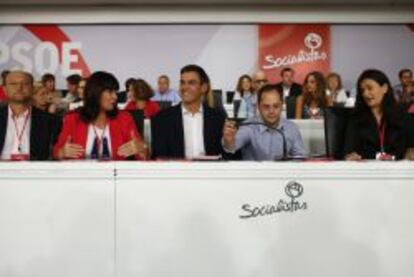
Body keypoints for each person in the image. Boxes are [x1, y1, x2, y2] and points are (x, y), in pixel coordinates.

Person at [53, 71, 147, 160]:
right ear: (95, 93)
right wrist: (62, 152)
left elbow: (144, 154)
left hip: (115, 176)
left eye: (115, 92)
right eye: (110, 92)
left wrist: (142, 149)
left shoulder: (124, 118)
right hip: (82, 176)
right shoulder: (72, 119)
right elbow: (56, 152)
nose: (115, 96)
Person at [151, 64, 226, 160]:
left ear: (203, 87)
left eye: (191, 83)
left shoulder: (217, 118)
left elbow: (224, 156)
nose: (184, 87)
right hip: (176, 173)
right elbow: (159, 156)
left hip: (209, 172)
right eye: (182, 83)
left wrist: (228, 145)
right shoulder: (163, 118)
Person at [344, 69, 414, 161]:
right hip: (366, 170)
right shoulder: (356, 118)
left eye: (370, 88)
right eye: (362, 90)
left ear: (384, 88)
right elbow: (349, 150)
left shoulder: (403, 116)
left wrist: (410, 152)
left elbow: (411, 146)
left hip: (397, 170)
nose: (365, 94)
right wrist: (350, 156)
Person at [222, 84, 305, 161]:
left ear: (282, 105)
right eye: (266, 106)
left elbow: (299, 158)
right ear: (258, 106)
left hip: (283, 175)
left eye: (276, 106)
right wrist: (229, 140)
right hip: (254, 175)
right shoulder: (249, 126)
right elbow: (231, 148)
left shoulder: (292, 128)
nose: (271, 111)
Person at [0, 71, 61, 160]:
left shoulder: (51, 121)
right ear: (4, 89)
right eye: (13, 84)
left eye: (25, 84)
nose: (19, 88)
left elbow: (53, 153)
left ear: (32, 89)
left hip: (35, 171)